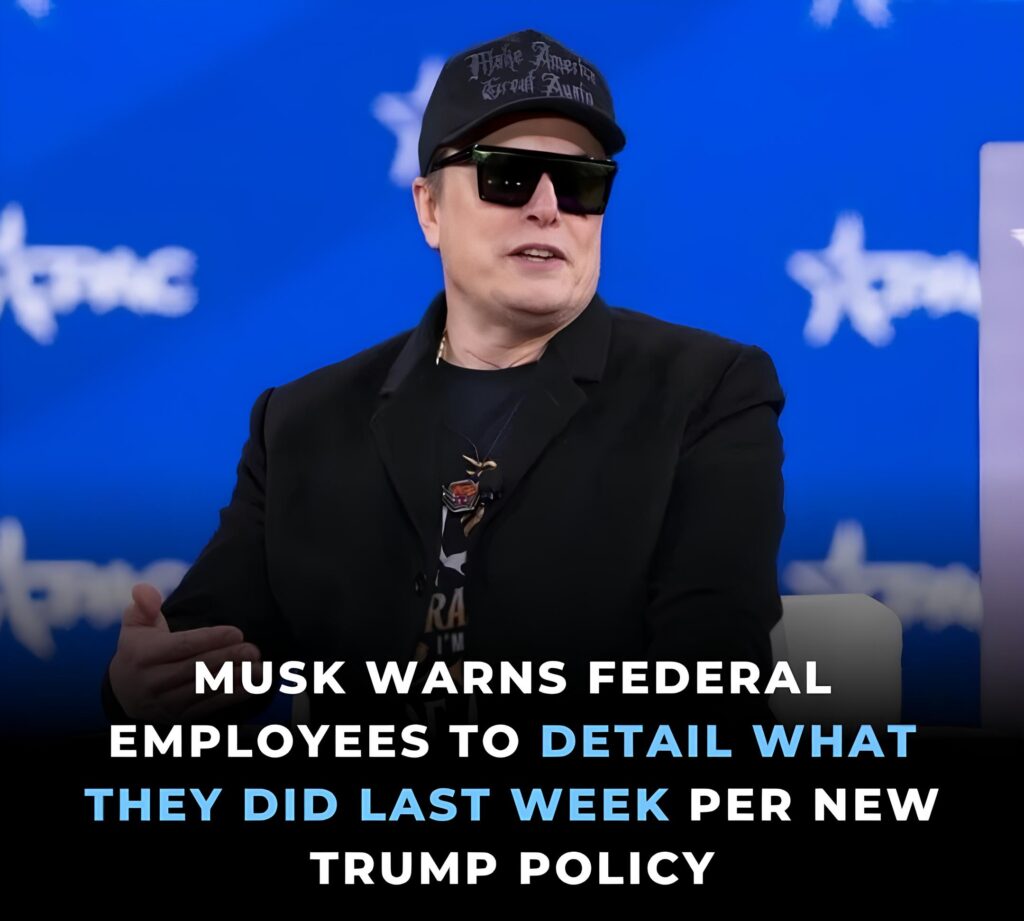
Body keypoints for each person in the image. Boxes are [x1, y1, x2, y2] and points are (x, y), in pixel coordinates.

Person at [102, 28, 786, 735]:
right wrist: (141, 690)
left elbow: (713, 691)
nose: (547, 207)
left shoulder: (706, 393)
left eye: (580, 182)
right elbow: (196, 665)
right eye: (507, 175)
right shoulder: (301, 424)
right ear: (429, 208)